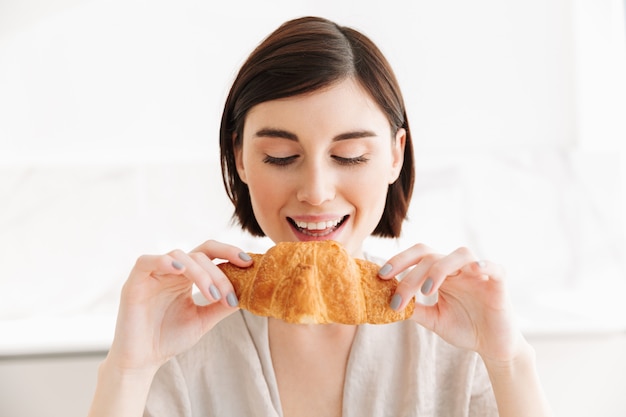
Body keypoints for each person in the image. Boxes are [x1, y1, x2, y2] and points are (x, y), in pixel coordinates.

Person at [88, 16, 552, 417]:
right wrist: (129, 369)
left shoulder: (456, 339)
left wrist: (509, 360)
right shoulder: (182, 342)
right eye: (280, 155)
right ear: (241, 158)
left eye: (349, 156)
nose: (315, 191)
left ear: (395, 156)